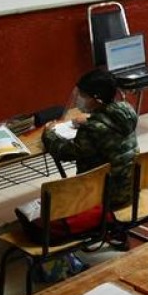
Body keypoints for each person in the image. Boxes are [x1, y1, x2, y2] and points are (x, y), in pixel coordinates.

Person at [43, 69, 138, 211]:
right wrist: (92, 117)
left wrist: (48, 134)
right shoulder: (127, 112)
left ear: (97, 99)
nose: (79, 98)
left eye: (83, 95)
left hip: (105, 197)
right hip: (130, 190)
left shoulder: (91, 129)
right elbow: (108, 121)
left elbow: (65, 153)